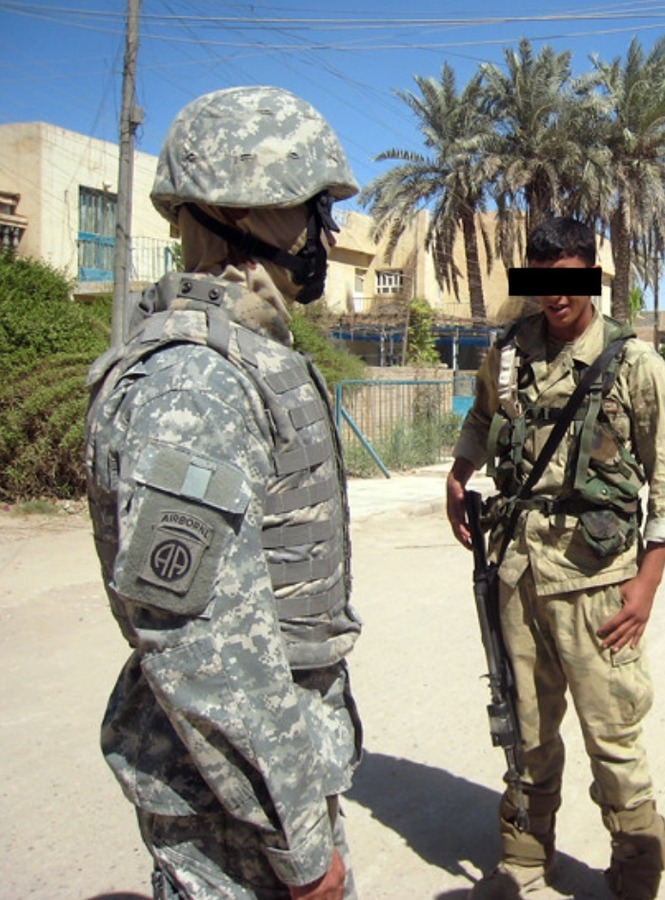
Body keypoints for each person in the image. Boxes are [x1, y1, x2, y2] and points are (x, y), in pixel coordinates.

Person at [85, 86, 363, 899]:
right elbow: (203, 652)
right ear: (252, 213)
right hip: (239, 825)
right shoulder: (195, 384)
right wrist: (302, 849)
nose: (325, 234)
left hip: (270, 792)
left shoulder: (242, 356)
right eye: (311, 210)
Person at [446, 216, 665, 900]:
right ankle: (525, 860)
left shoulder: (633, 362)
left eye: (568, 284)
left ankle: (636, 870)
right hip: (518, 570)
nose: (554, 299)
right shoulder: (505, 353)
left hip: (597, 581)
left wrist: (648, 582)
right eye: (542, 284)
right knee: (525, 728)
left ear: (591, 277)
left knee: (612, 736)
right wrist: (459, 473)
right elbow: (481, 416)